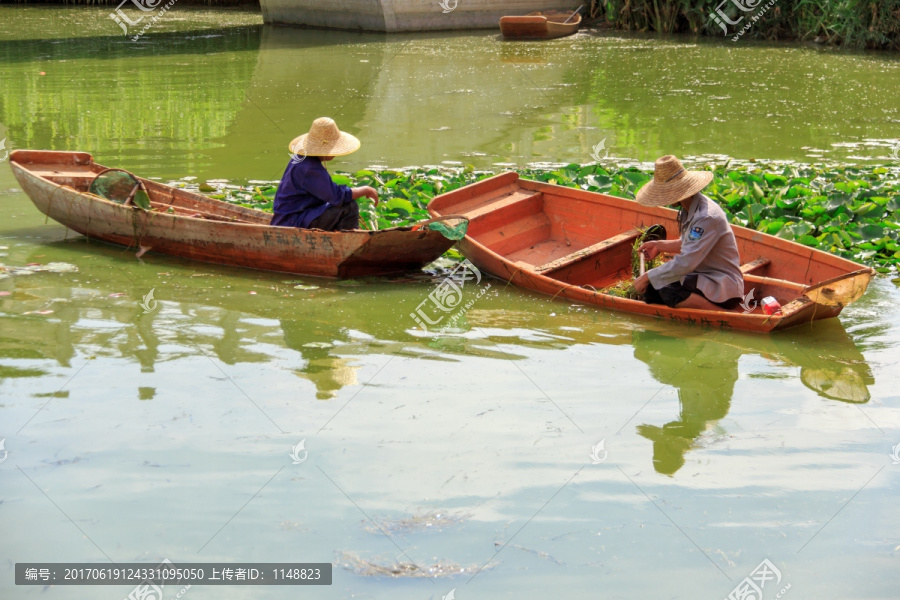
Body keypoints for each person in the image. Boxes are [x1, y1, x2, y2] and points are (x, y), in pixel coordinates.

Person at [633, 155, 744, 311]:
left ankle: (723, 315)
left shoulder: (706, 217)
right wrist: (659, 245)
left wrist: (648, 276)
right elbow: (689, 244)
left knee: (667, 288)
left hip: (721, 287)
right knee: (652, 291)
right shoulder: (689, 207)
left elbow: (687, 262)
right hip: (701, 278)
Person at [271, 117, 379, 231]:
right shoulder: (309, 168)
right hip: (293, 222)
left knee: (338, 205)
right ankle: (347, 239)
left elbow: (327, 193)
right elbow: (337, 196)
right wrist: (366, 190)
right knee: (349, 205)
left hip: (292, 217)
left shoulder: (300, 159)